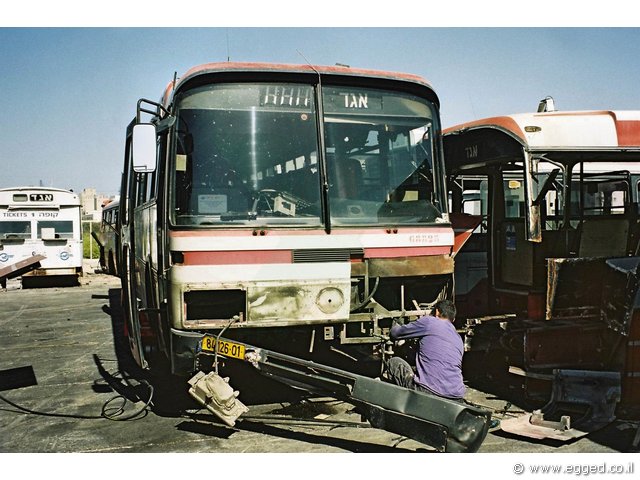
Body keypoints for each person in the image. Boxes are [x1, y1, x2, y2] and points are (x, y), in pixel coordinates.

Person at [384, 299, 465, 400]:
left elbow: (395, 333)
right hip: (456, 396)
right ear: (453, 319)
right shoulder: (458, 338)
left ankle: (402, 407)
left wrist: (396, 324)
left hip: (427, 391)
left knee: (394, 363)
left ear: (437, 312)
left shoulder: (430, 322)